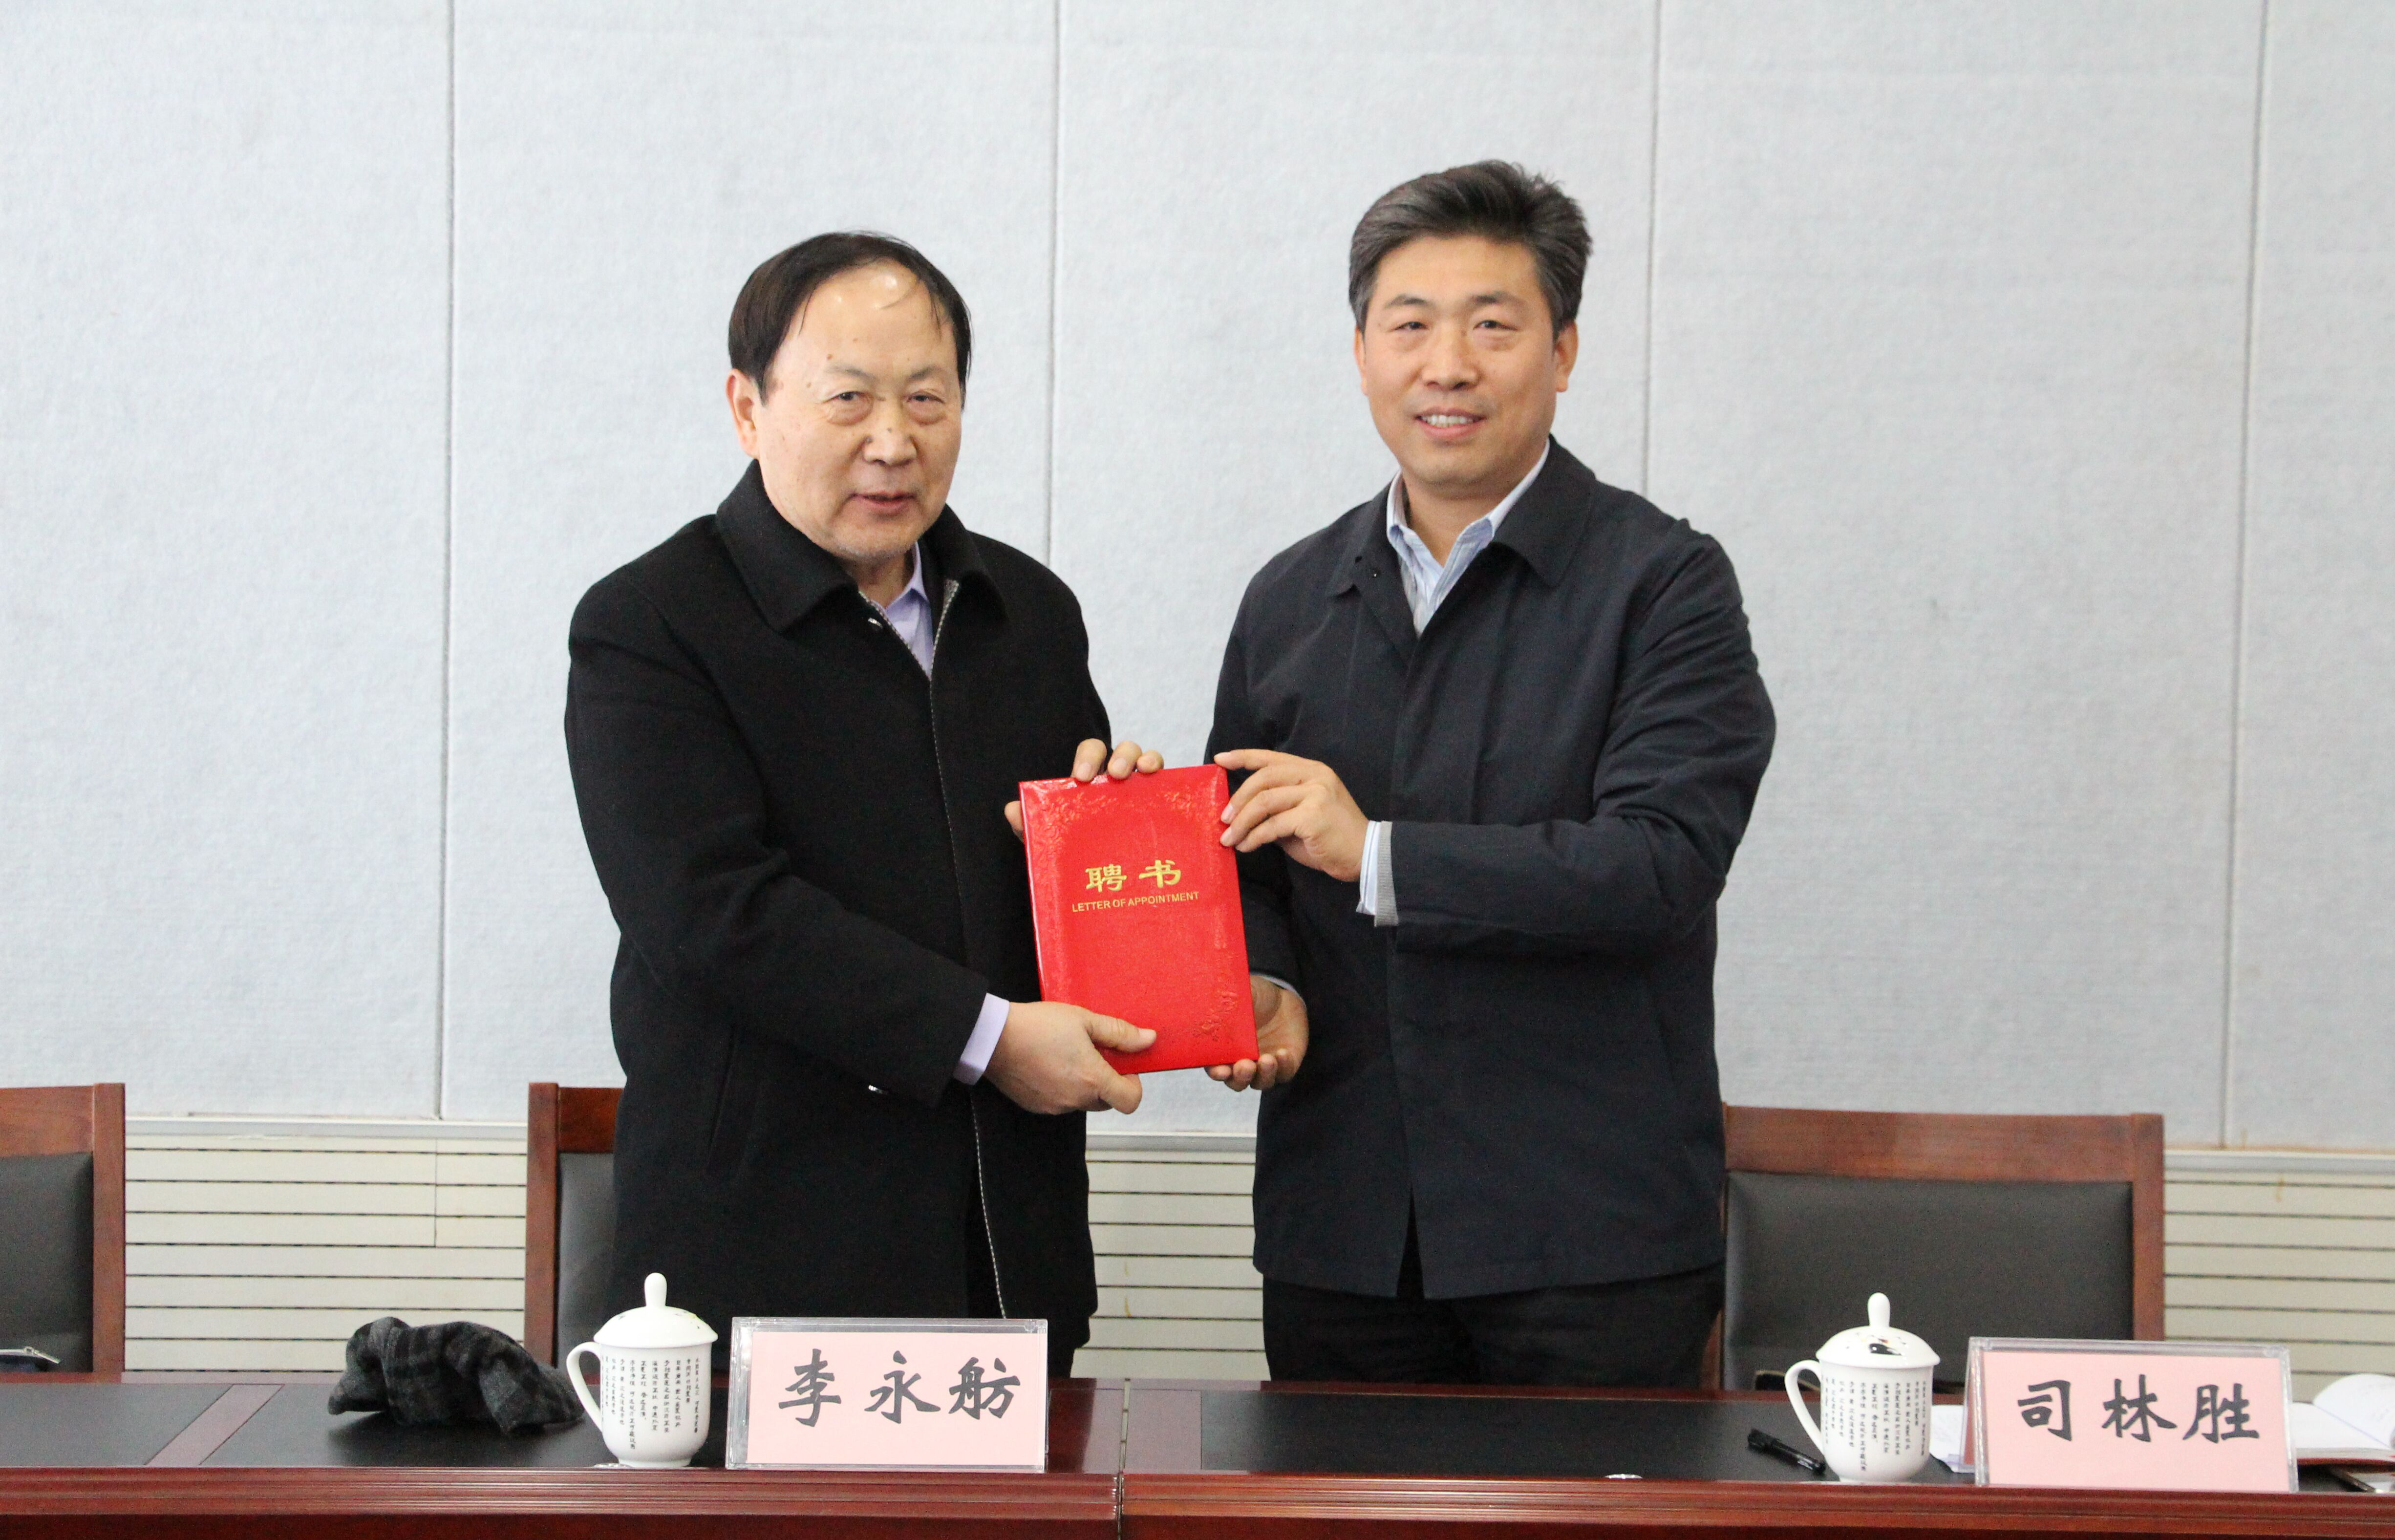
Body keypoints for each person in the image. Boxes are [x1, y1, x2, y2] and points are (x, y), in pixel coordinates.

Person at [1204, 161, 1775, 1385]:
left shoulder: (1664, 585)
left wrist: (1378, 855)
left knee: (1588, 1527)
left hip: (1588, 1241)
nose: (1447, 366)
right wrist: (1259, 979)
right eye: (1409, 326)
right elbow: (1242, 857)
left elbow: (1661, 865)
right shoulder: (1291, 597)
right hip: (1343, 1232)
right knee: (1332, 1524)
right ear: (1362, 353)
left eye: (1493, 327)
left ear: (1563, 353)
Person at [567, 232, 1160, 1374]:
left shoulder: (1028, 614)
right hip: (770, 1262)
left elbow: (1060, 904)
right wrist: (988, 1040)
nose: (894, 441)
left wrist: (1116, 847)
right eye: (849, 399)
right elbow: (712, 915)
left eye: (927, 398)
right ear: (748, 409)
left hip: (1008, 1252)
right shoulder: (653, 624)